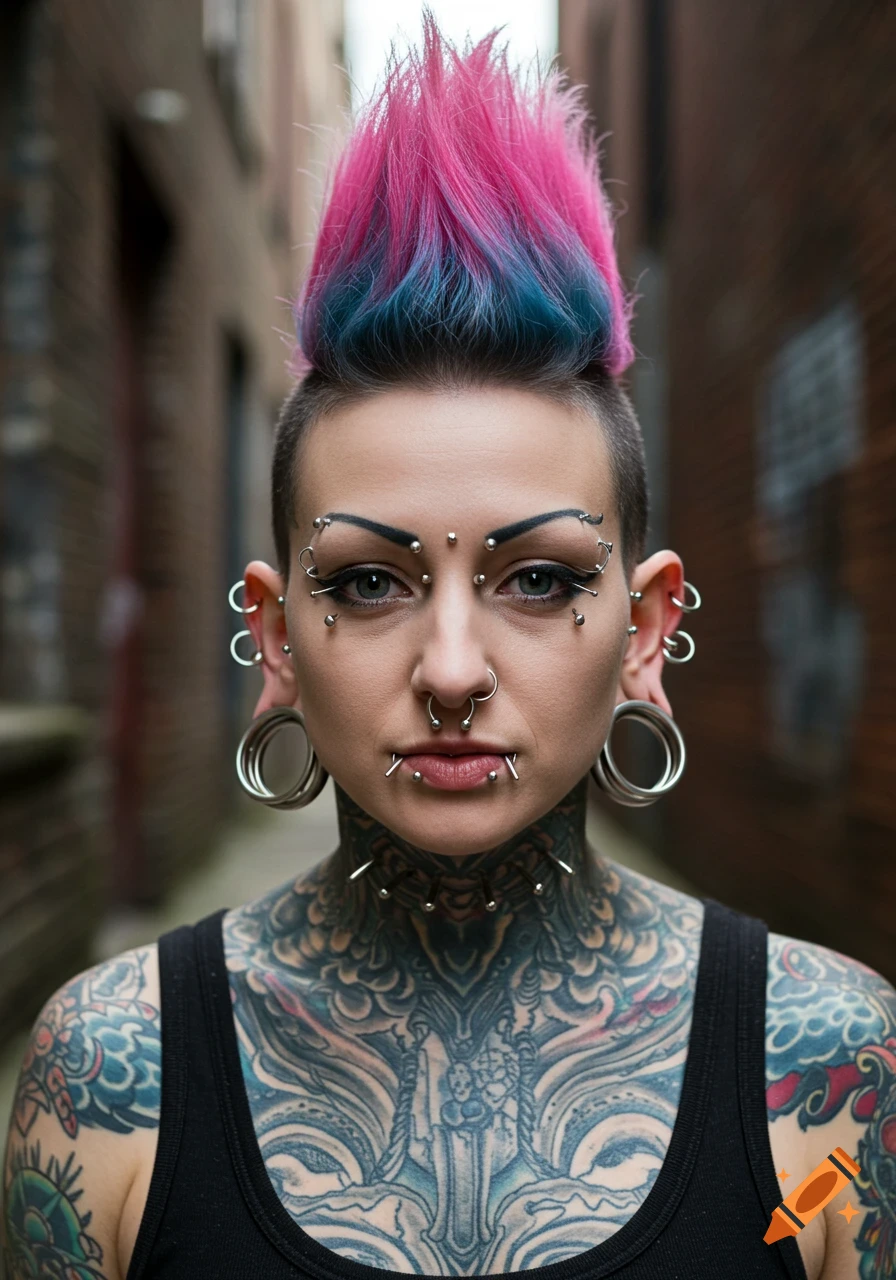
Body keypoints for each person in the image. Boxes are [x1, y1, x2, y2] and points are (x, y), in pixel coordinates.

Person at [3, 12, 895, 1280]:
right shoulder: (106, 1074)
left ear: (643, 631)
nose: (453, 667)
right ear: (274, 636)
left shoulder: (823, 1069)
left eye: (539, 578)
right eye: (368, 581)